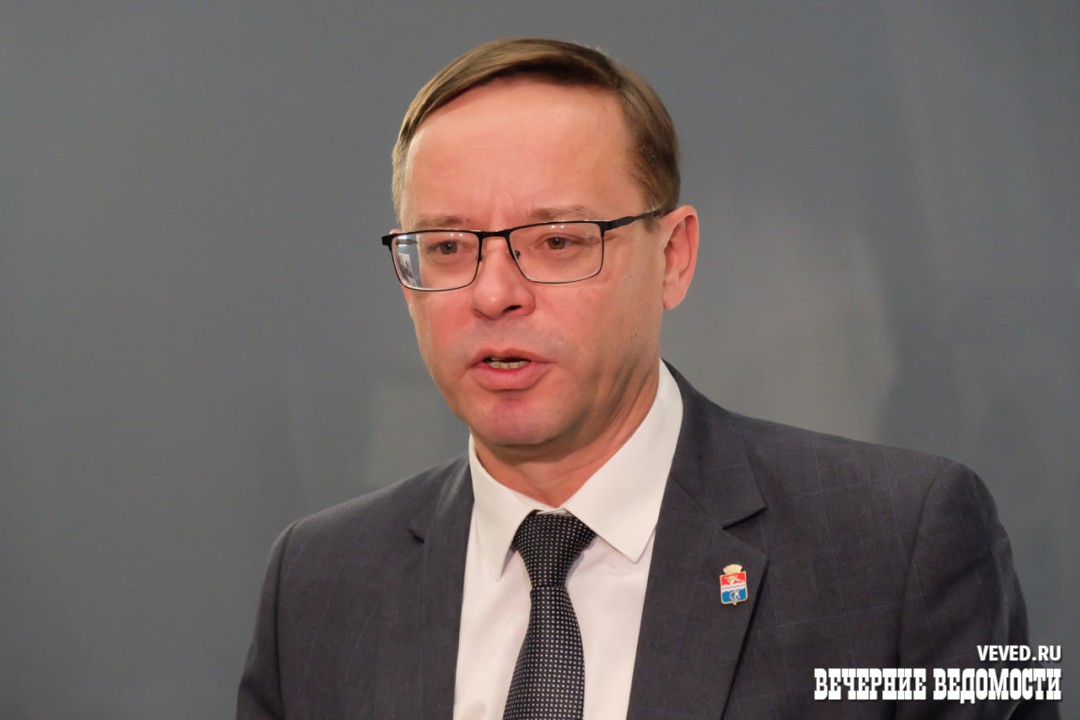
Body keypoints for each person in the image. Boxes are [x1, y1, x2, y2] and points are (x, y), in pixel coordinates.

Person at [238, 38, 1055, 719]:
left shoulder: (902, 542)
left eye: (558, 241)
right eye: (448, 248)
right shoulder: (317, 582)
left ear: (673, 257)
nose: (494, 294)